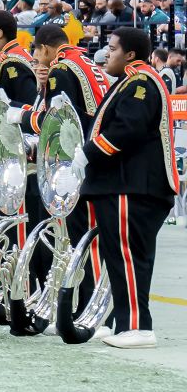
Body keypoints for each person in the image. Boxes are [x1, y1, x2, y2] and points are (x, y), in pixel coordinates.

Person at [76, 27, 180, 349]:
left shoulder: (141, 82)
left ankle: (137, 325)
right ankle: (126, 322)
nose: (107, 53)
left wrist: (87, 153)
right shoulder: (132, 80)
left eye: (113, 48)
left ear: (130, 55)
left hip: (132, 185)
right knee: (121, 257)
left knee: (128, 256)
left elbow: (127, 130)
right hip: (127, 183)